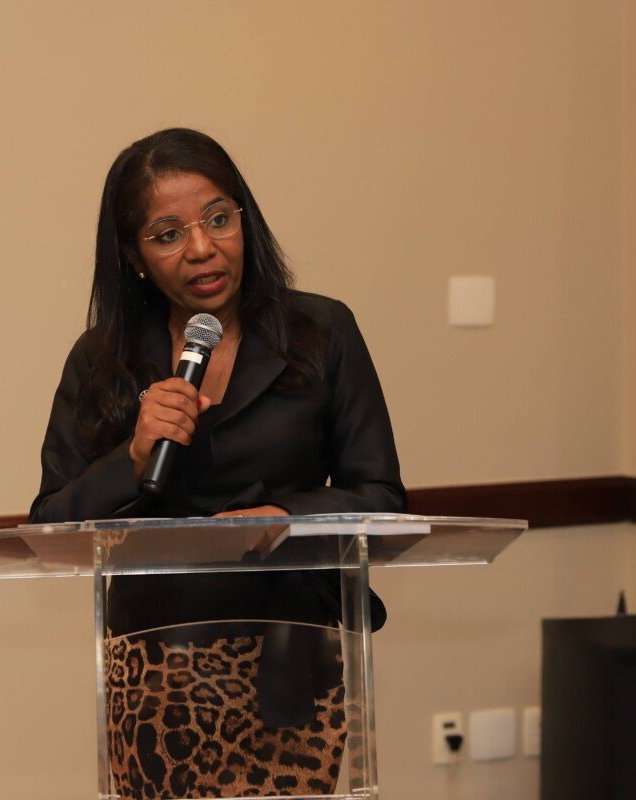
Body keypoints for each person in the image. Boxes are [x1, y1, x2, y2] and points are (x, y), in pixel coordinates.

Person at [29, 128, 405, 798]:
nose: (202, 248)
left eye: (218, 220)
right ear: (134, 256)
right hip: (155, 670)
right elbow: (50, 528)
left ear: (244, 220)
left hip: (291, 658)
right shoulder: (101, 360)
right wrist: (133, 456)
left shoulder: (321, 332)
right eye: (168, 234)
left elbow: (380, 494)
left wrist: (283, 516)